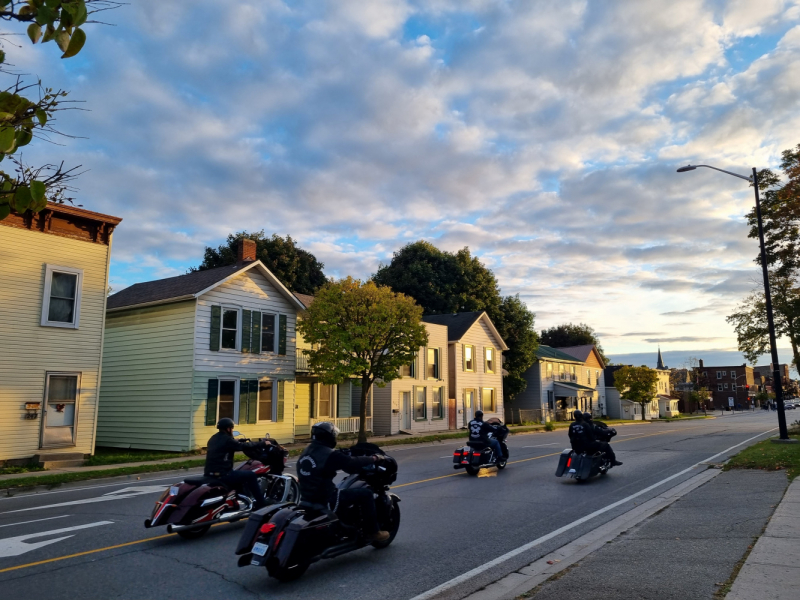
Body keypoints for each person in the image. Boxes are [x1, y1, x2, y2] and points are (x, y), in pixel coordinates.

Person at [296, 422, 390, 544]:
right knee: (366, 494)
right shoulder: (329, 454)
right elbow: (352, 463)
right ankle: (372, 532)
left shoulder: (307, 451)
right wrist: (374, 458)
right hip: (327, 499)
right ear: (329, 436)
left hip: (306, 498)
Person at [205, 417, 270, 509]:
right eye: (232, 428)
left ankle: (239, 499)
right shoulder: (228, 440)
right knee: (251, 475)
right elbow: (243, 446)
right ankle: (261, 502)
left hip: (209, 472)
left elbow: (226, 445)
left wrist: (237, 441)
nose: (232, 430)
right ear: (228, 429)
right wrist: (262, 444)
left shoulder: (213, 438)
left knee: (240, 475)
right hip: (223, 474)